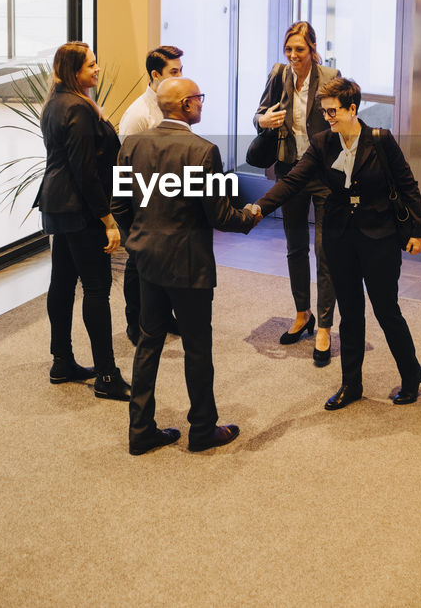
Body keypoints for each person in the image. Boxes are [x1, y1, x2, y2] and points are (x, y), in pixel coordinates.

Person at [251, 77, 421, 411]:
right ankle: (351, 384)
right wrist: (259, 207)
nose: (328, 117)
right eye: (324, 111)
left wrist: (418, 231)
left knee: (387, 310)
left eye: (333, 111)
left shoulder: (380, 140)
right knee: (350, 313)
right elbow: (292, 181)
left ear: (352, 109)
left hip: (380, 239)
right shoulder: (322, 143)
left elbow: (407, 185)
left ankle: (410, 375)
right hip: (340, 238)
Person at [113, 78, 259, 455]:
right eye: (199, 98)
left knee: (149, 343)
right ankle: (202, 431)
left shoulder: (132, 145)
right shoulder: (202, 151)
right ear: (184, 105)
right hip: (189, 266)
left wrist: (135, 242)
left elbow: (118, 206)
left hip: (147, 261)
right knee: (197, 348)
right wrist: (251, 215)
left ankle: (140, 430)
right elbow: (220, 215)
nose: (201, 104)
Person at [34, 42, 131, 401]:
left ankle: (62, 362)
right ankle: (106, 374)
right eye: (91, 65)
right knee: (96, 288)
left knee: (62, 281)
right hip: (80, 209)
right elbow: (85, 171)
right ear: (75, 71)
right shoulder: (78, 108)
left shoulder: (57, 103)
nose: (97, 69)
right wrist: (107, 218)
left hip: (58, 206)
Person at [253, 22, 338, 365]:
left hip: (322, 173)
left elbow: (341, 120)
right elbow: (257, 116)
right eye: (288, 49)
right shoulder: (279, 74)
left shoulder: (330, 76)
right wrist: (264, 122)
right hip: (289, 171)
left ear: (312, 49)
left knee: (325, 250)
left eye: (299, 50)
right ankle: (303, 314)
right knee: (295, 247)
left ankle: (325, 327)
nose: (292, 56)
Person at [116, 45, 185, 344]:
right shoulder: (137, 115)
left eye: (181, 70)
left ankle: (164, 316)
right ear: (155, 75)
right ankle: (135, 323)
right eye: (174, 72)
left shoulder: (174, 104)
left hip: (171, 196)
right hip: (143, 198)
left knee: (168, 261)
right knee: (138, 263)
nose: (180, 76)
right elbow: (125, 164)